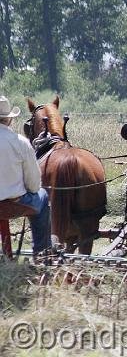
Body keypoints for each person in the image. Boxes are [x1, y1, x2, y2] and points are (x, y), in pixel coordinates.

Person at [0, 95, 51, 252]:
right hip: (14, 204)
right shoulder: (21, 142)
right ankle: (42, 253)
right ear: (9, 120)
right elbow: (34, 185)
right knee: (42, 197)